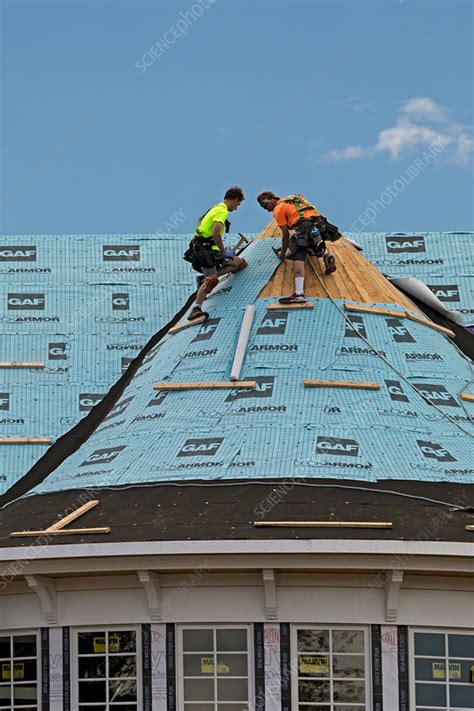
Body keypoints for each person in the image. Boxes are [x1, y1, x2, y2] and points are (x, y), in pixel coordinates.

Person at [257, 191, 340, 304]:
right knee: (314, 239)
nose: (267, 210)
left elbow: (285, 235)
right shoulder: (295, 198)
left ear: (270, 201)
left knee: (298, 256)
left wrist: (283, 254)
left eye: (265, 206)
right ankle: (327, 256)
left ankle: (298, 294)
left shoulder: (278, 209)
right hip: (321, 224)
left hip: (304, 226)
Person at [185, 187, 247, 320]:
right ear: (235, 199)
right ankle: (196, 308)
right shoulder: (222, 211)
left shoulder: (214, 208)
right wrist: (224, 253)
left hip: (210, 250)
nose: (236, 208)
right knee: (212, 281)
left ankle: (205, 278)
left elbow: (200, 223)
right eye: (238, 204)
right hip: (204, 251)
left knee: (240, 264)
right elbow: (216, 233)